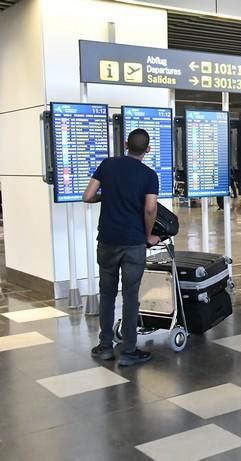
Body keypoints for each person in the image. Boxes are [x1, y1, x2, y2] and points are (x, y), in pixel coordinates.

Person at [82, 128, 159, 367]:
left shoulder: (107, 165)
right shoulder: (149, 175)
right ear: (147, 149)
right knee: (130, 296)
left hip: (107, 240)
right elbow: (149, 209)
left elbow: (87, 196)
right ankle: (128, 351)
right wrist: (148, 236)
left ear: (126, 144)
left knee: (106, 293)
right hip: (133, 242)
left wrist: (107, 197)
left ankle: (105, 347)